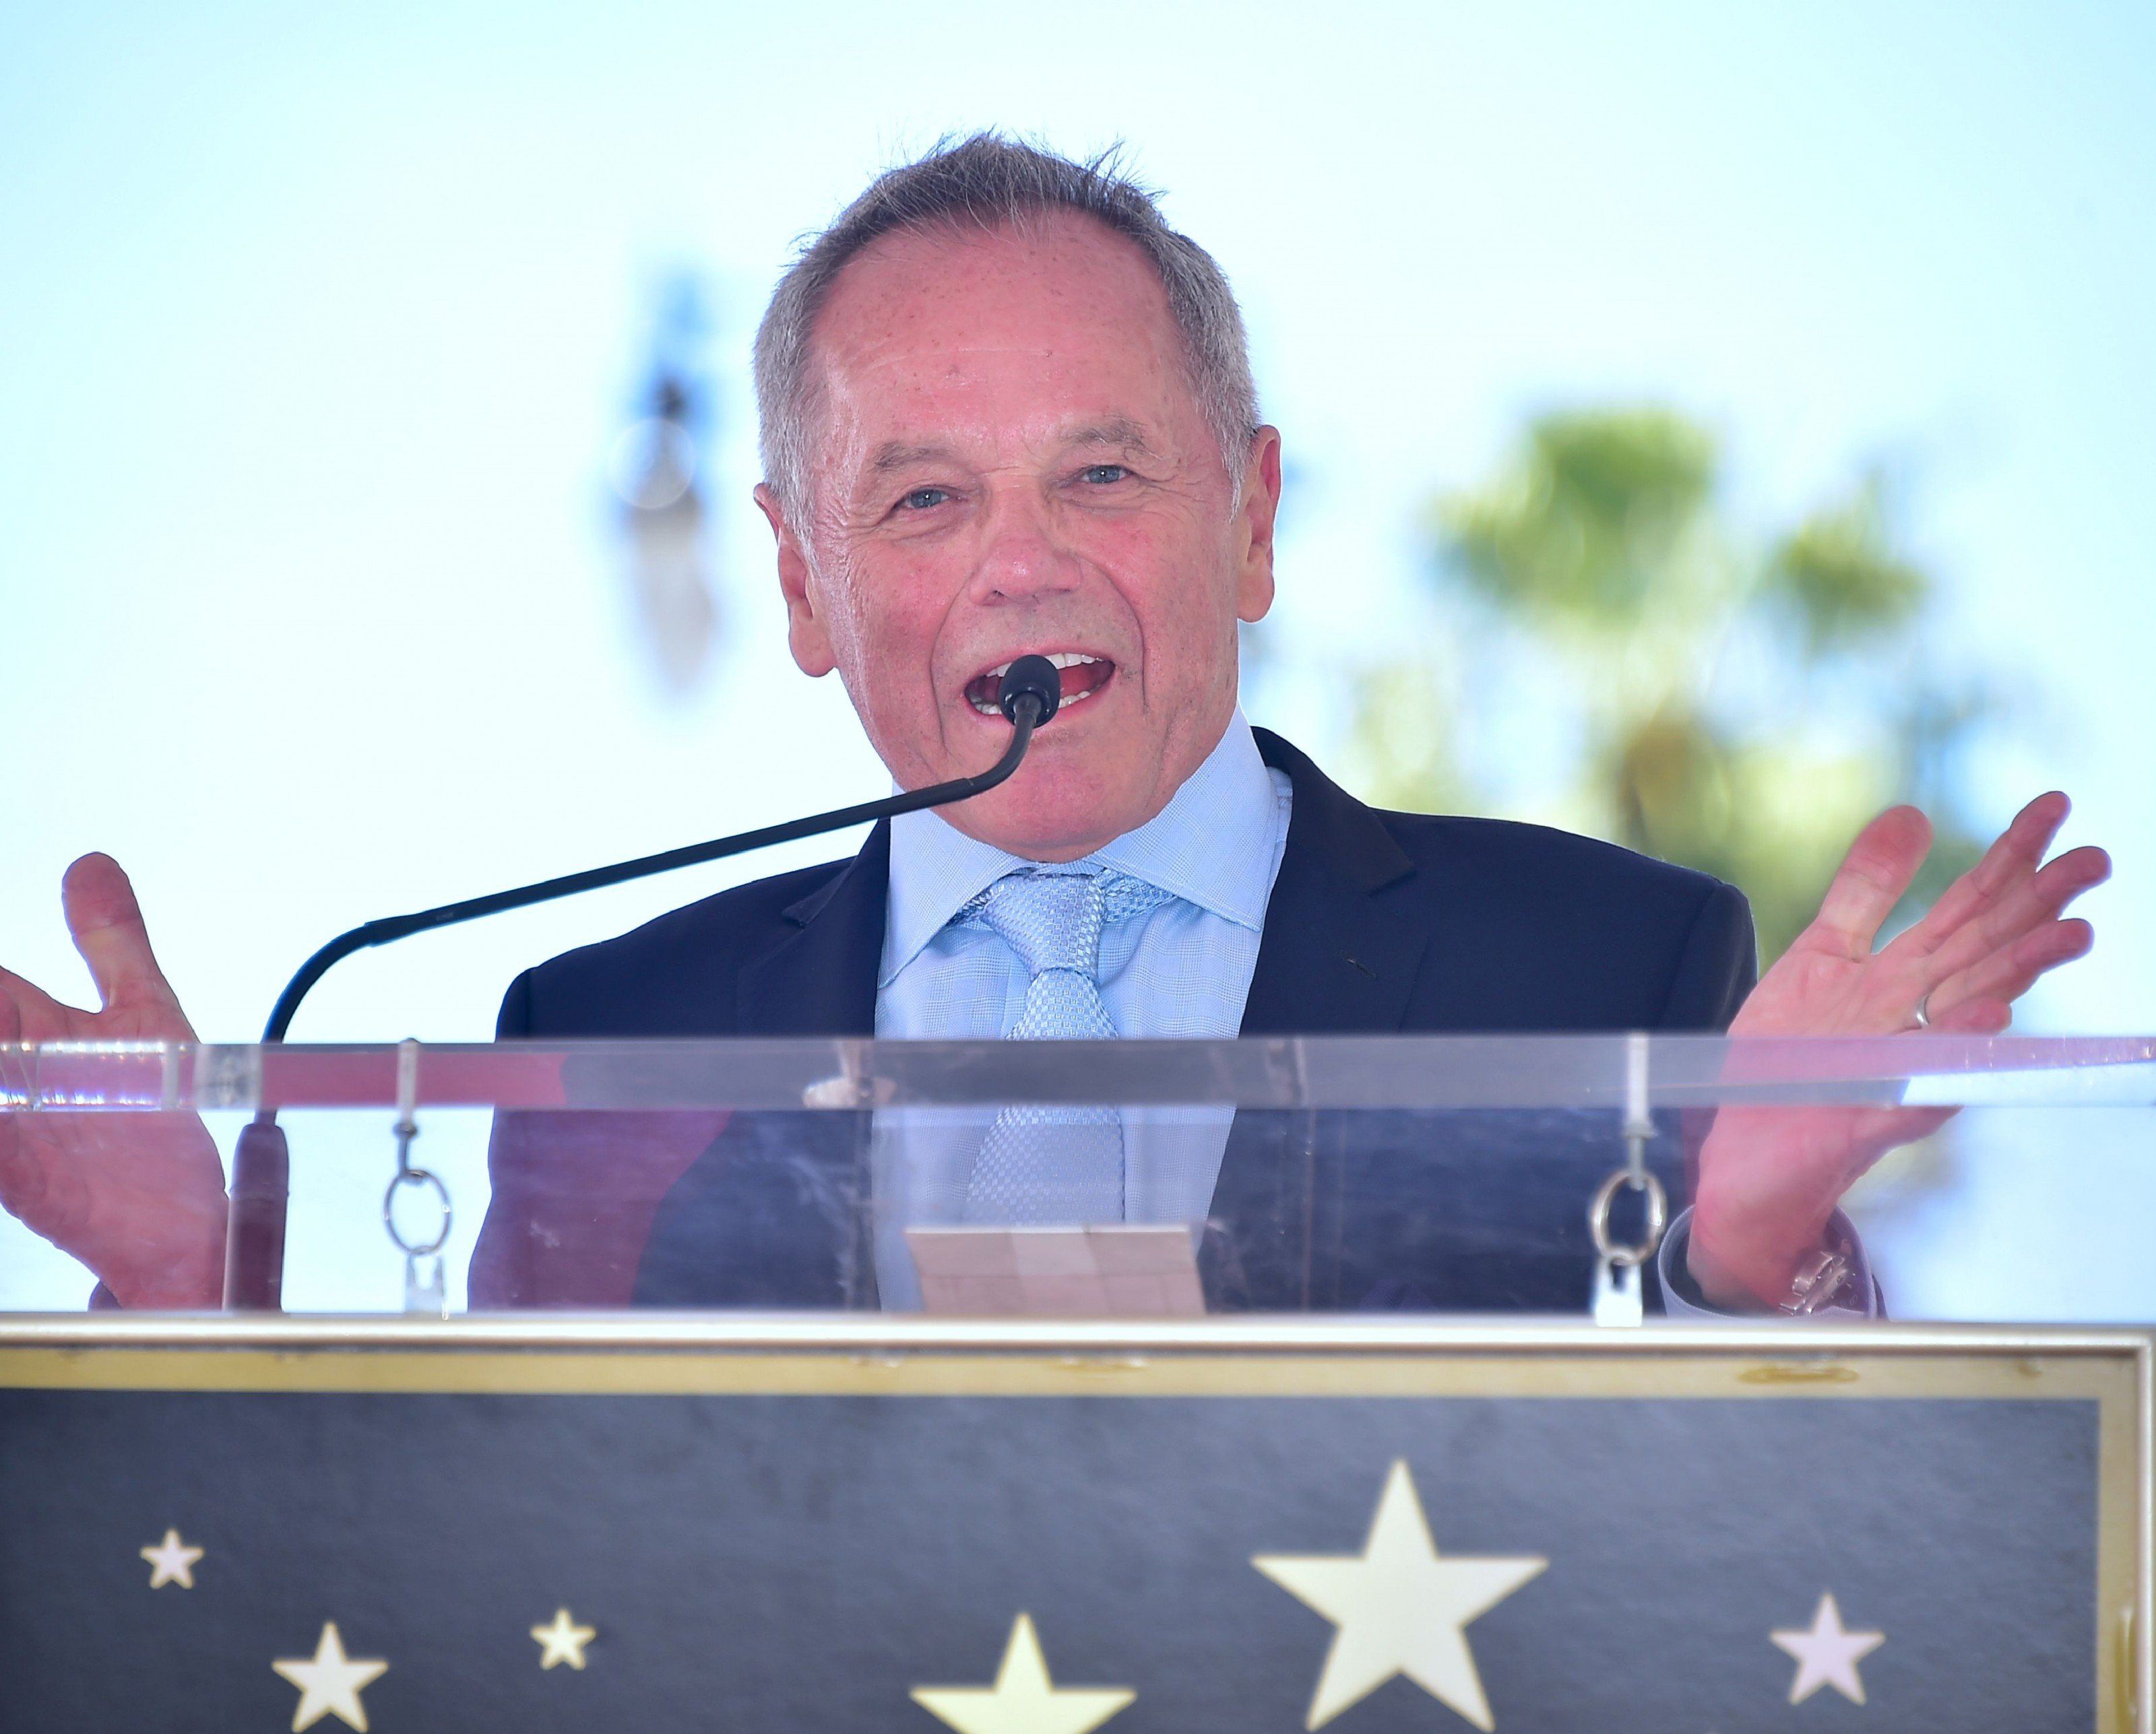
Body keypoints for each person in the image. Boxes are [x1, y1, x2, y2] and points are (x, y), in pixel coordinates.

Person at [0, 137, 2110, 1317]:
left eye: (1104, 478)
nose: (1021, 570)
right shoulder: (596, 1035)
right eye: (924, 501)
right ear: (808, 588)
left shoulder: (1602, 969)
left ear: (1254, 518)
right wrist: (181, 1287)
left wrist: (1763, 1262)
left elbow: (1762, 1589)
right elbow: (475, 1587)